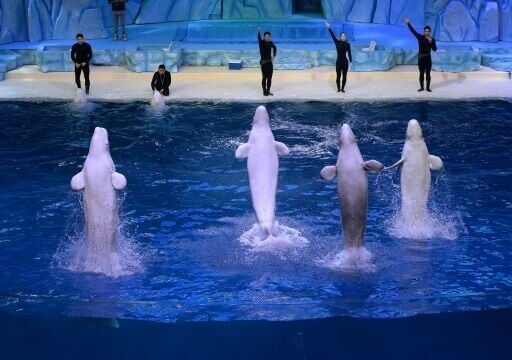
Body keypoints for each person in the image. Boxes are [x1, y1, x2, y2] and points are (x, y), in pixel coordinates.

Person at [404, 17, 437, 92]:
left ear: (430, 32)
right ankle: (422, 87)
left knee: (428, 74)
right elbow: (413, 31)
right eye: (425, 31)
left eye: (428, 31)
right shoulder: (420, 37)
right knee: (421, 73)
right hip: (421, 58)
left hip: (428, 59)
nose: (427, 32)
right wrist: (408, 23)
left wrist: (431, 42)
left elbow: (435, 49)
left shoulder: (432, 40)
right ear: (424, 31)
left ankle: (428, 88)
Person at [325, 21, 352, 93]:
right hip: (338, 62)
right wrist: (329, 28)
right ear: (340, 37)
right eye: (342, 36)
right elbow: (332, 35)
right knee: (338, 76)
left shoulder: (347, 44)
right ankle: (338, 89)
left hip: (345, 63)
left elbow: (349, 54)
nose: (343, 37)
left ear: (345, 37)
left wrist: (351, 62)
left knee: (344, 76)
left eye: (344, 36)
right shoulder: (337, 42)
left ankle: (342, 88)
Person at [257, 28, 277, 96]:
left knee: (270, 78)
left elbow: (275, 48)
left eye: (268, 37)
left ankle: (268, 91)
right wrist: (259, 32)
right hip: (264, 63)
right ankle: (264, 91)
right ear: (264, 37)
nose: (267, 38)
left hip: (269, 63)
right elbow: (259, 39)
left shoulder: (270, 42)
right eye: (266, 36)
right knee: (264, 77)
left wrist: (274, 55)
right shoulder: (261, 43)